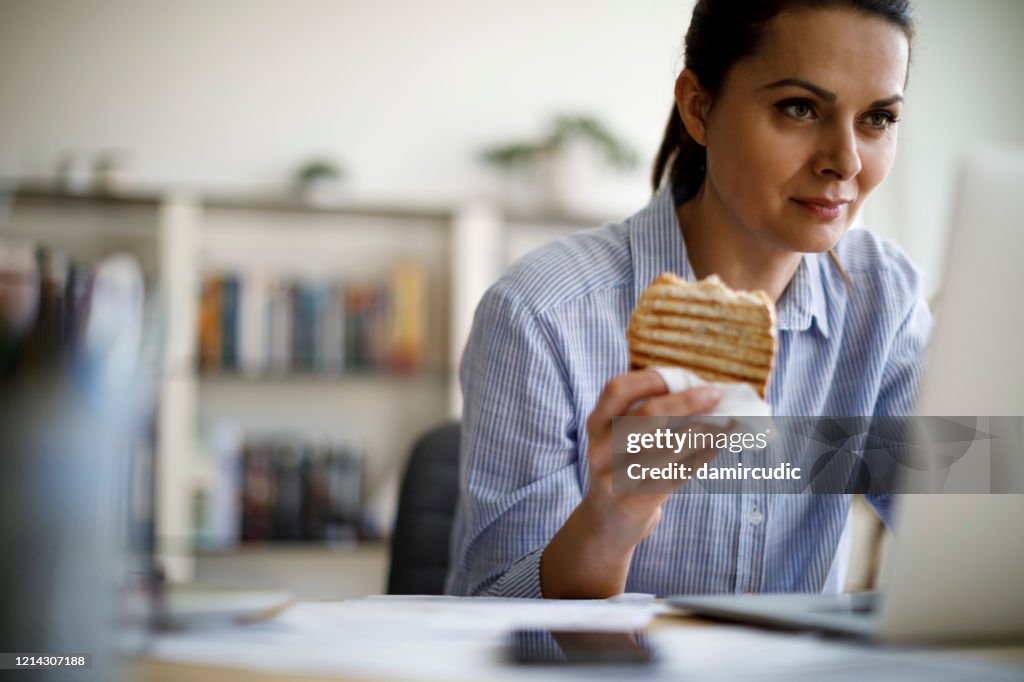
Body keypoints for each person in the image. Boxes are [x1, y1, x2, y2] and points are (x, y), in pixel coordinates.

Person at [447, 0, 929, 599]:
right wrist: (613, 518)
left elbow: (963, 536)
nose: (846, 161)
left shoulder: (887, 299)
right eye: (800, 108)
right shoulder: (540, 314)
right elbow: (488, 619)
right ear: (699, 107)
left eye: (878, 119)